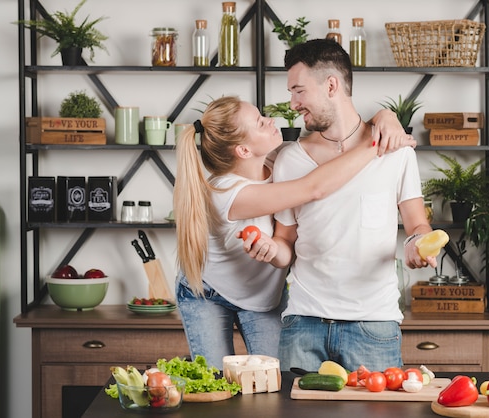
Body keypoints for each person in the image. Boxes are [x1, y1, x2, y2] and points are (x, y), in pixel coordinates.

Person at [172, 95, 414, 369]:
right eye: (260, 123)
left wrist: (385, 117)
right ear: (243, 151)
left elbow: (347, 131)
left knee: (275, 382)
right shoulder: (229, 193)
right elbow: (314, 188)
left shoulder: (278, 158)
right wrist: (380, 145)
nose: (271, 121)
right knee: (215, 381)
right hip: (210, 294)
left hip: (263, 296)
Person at [269, 39, 438, 373]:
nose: (293, 103)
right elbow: (285, 240)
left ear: (331, 85)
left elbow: (418, 225)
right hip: (303, 323)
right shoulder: (289, 160)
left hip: (373, 327)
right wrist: (266, 248)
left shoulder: (396, 150)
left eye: (299, 91)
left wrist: (418, 243)